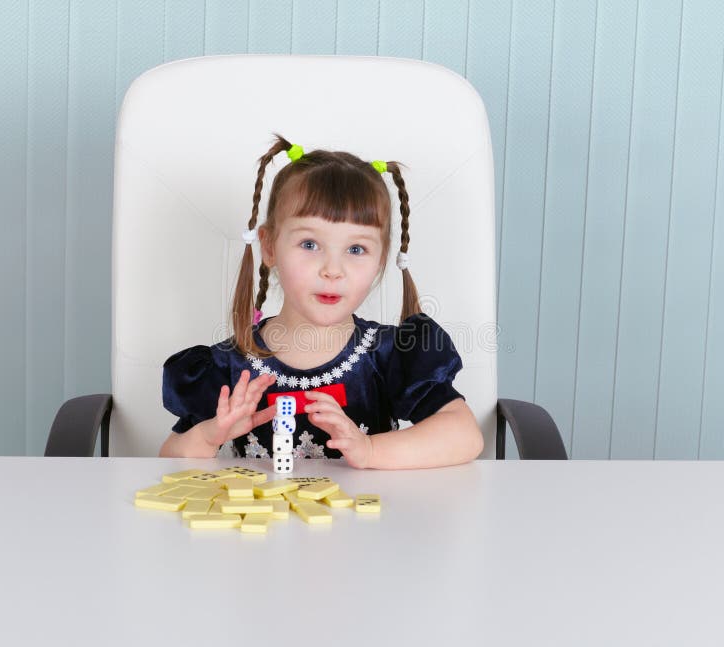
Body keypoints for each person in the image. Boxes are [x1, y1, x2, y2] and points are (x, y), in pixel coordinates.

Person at [159, 135, 483, 468]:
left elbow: (465, 435)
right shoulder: (229, 367)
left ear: (380, 259)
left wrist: (371, 450)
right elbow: (169, 458)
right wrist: (210, 435)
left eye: (356, 249)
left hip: (370, 520)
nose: (332, 270)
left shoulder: (391, 354)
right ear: (269, 246)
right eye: (310, 244)